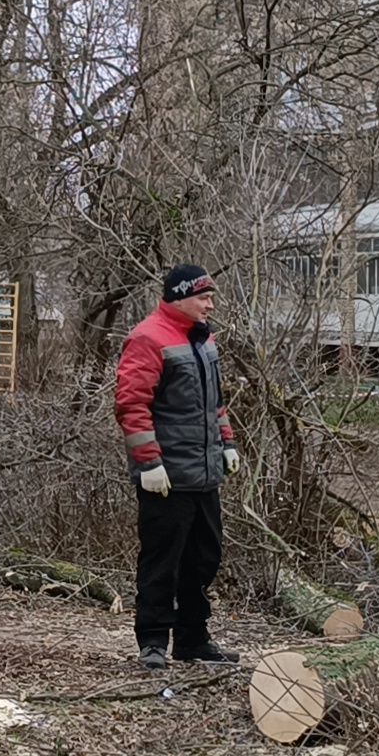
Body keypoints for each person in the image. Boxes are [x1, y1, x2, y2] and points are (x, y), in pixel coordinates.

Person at [114, 265, 242, 670]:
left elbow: (214, 403)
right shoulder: (148, 338)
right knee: (162, 561)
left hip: (204, 474)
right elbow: (132, 406)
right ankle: (153, 640)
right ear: (181, 296)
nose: (211, 303)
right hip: (166, 477)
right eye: (204, 296)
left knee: (204, 558)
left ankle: (192, 639)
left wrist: (227, 442)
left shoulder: (204, 341)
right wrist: (149, 463)